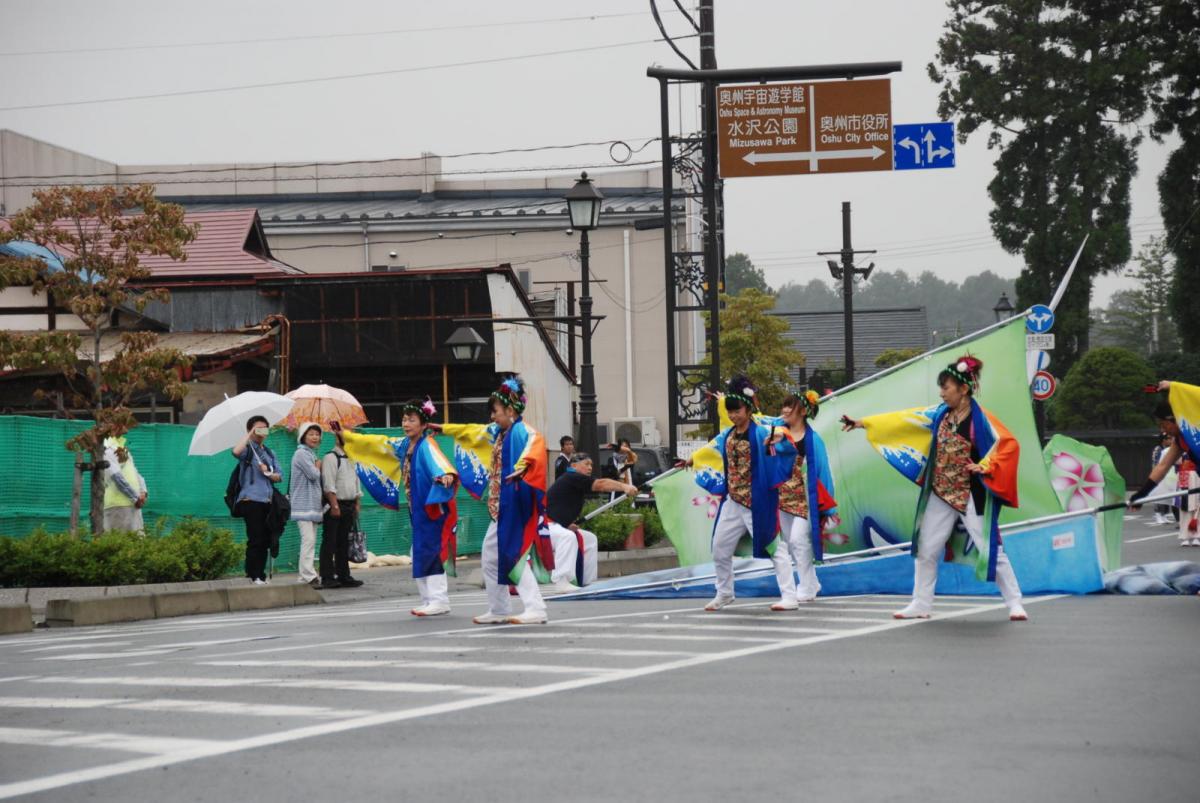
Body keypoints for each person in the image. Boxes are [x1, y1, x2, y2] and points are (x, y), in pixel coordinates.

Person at [842, 355, 1028, 621]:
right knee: (926, 548)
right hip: (940, 491)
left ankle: (1015, 602)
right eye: (941, 388)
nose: (941, 393)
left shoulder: (981, 419)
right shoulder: (940, 414)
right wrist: (863, 423)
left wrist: (985, 465)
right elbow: (904, 419)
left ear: (963, 389)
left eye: (946, 388)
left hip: (970, 492)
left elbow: (1007, 444)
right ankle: (921, 603)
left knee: (990, 547)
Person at [440, 375, 551, 625]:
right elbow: (472, 431)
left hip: (515, 504)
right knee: (490, 557)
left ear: (510, 410)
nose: (492, 417)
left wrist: (523, 467)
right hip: (500, 508)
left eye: (495, 411)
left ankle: (536, 607)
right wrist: (444, 429)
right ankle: (499, 608)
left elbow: (535, 449)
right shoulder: (500, 432)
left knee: (515, 554)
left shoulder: (523, 431)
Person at [684, 375, 797, 612]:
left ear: (748, 408)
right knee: (719, 548)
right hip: (733, 500)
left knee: (775, 547)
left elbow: (787, 441)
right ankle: (725, 593)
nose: (734, 415)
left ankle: (790, 595)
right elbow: (711, 449)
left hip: (758, 501)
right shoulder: (727, 435)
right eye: (730, 411)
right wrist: (692, 459)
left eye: (737, 411)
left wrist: (779, 439)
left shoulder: (762, 430)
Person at [344, 398, 459, 616]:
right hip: (418, 507)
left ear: (423, 424)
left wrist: (445, 475)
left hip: (432, 507)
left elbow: (440, 463)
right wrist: (349, 438)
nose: (406, 423)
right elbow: (379, 444)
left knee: (431, 551)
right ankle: (428, 599)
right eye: (404, 419)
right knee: (419, 553)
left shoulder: (427, 445)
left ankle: (439, 599)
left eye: (411, 420)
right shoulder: (406, 444)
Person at [766, 390, 839, 606]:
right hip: (781, 496)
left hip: (804, 498)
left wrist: (828, 506)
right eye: (784, 405)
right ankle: (812, 582)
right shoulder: (776, 430)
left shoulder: (812, 440)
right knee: (790, 543)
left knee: (799, 539)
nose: (785, 410)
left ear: (803, 410)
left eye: (791, 406)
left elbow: (823, 471)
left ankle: (806, 587)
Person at [543, 452, 638, 593]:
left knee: (590, 539)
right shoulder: (571, 477)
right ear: (574, 466)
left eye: (591, 465)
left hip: (557, 524)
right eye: (586, 464)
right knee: (567, 537)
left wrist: (567, 524)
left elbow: (557, 506)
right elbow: (600, 484)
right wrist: (624, 487)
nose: (590, 468)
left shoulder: (573, 480)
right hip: (544, 526)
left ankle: (587, 582)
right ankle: (562, 581)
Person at [1131, 381, 1200, 512]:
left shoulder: (1196, 429)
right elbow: (1162, 467)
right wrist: (1141, 494)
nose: (1163, 430)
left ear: (1175, 419)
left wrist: (1173, 386)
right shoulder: (1181, 441)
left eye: (1164, 424)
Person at [232, 416, 282, 585]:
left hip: (267, 501)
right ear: (250, 430)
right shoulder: (247, 450)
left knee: (265, 539)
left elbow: (278, 477)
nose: (262, 432)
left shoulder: (269, 453)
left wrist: (267, 472)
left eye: (265, 428)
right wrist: (249, 435)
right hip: (250, 500)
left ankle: (260, 575)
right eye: (258, 429)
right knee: (256, 538)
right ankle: (253, 574)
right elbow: (235, 452)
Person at [320, 425, 364, 589]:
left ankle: (344, 575)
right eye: (344, 434)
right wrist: (334, 504)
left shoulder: (353, 457)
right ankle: (327, 576)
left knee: (344, 542)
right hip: (335, 504)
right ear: (337, 437)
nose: (348, 437)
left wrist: (357, 501)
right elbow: (328, 483)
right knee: (330, 541)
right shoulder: (331, 457)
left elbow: (356, 480)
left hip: (349, 504)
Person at [289, 422, 326, 586]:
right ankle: (308, 575)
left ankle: (305, 575)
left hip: (311, 505)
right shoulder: (301, 454)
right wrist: (318, 466)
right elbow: (313, 475)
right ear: (303, 436)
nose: (315, 437)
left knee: (310, 541)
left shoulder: (310, 454)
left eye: (317, 434)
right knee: (308, 540)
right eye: (311, 434)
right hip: (303, 505)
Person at [102, 436, 147, 533]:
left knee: (136, 541)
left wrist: (143, 491)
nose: (126, 429)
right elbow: (116, 477)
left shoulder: (123, 449)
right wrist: (135, 498)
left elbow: (135, 472)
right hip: (118, 506)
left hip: (133, 504)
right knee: (122, 541)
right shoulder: (108, 449)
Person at [1150, 434, 1175, 525]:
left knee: (1166, 495)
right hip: (1158, 474)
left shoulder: (1170, 449)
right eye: (1168, 438)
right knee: (1158, 495)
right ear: (1163, 440)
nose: (1170, 440)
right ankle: (1158, 515)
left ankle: (1164, 515)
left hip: (1167, 474)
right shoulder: (1158, 449)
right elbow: (1155, 462)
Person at [1177, 457, 1200, 547]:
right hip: (1185, 474)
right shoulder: (1181, 445)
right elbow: (1176, 461)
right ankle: (1185, 536)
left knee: (1198, 505)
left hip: (1196, 473)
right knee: (1185, 507)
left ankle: (1197, 536)